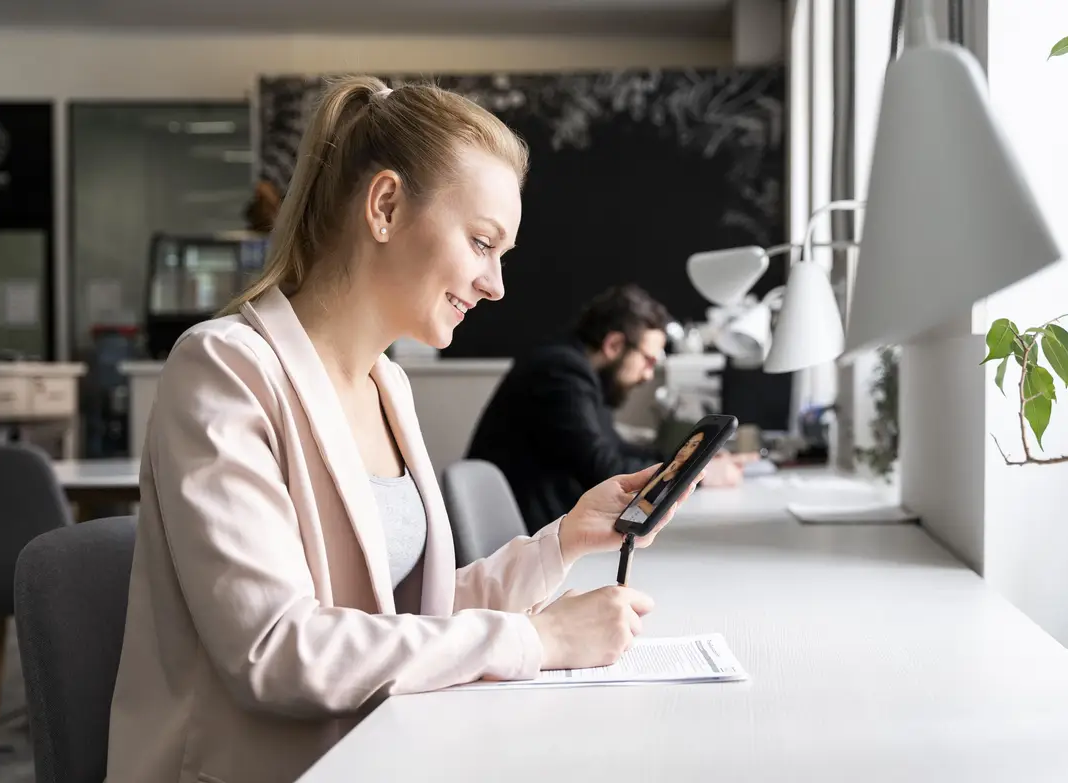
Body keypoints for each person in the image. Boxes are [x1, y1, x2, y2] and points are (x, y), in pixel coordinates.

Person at [106, 77, 700, 783]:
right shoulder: (224, 369)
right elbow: (277, 651)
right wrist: (535, 638)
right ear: (385, 205)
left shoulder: (388, 384)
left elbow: (415, 619)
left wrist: (564, 539)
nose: (496, 284)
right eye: (482, 242)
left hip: (379, 752)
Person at [467, 284, 749, 535]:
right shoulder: (560, 372)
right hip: (529, 543)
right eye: (648, 361)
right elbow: (604, 470)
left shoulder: (576, 370)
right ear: (614, 344)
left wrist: (688, 462)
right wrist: (696, 476)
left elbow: (615, 449)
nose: (649, 375)